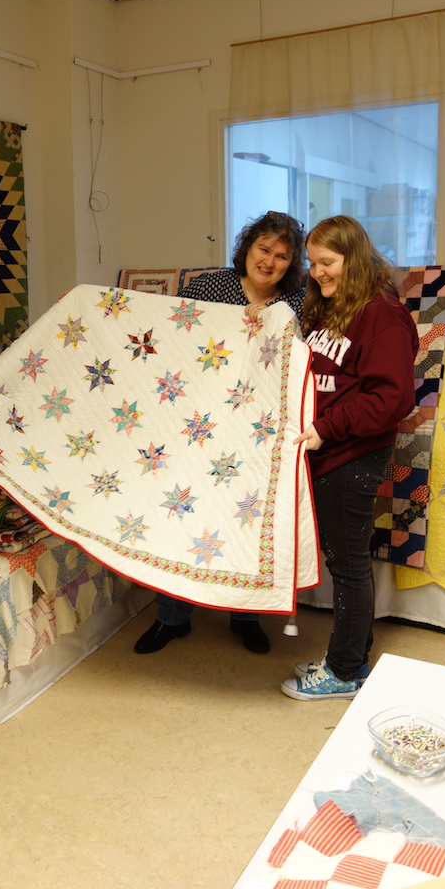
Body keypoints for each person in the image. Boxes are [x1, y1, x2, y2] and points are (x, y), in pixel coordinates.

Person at [134, 210, 307, 656]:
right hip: (197, 426)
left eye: (282, 256)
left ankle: (245, 617)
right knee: (181, 513)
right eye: (263, 249)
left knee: (246, 520)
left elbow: (305, 360)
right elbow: (166, 332)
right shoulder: (211, 287)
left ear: (292, 264)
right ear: (247, 248)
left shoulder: (300, 301)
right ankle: (172, 618)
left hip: (257, 433)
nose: (269, 262)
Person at [281, 215, 418, 700]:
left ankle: (341, 672)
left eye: (327, 262)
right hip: (328, 450)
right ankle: (354, 661)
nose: (316, 272)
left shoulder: (381, 314)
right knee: (346, 560)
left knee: (349, 564)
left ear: (353, 258)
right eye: (312, 263)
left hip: (352, 452)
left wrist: (325, 428)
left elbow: (391, 398)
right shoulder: (332, 307)